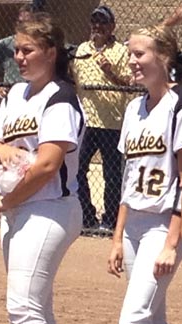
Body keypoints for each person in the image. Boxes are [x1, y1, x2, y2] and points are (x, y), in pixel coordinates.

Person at [0, 12, 85, 323]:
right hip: (18, 209)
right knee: (35, 306)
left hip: (48, 207)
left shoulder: (61, 97)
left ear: (51, 52)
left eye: (28, 50)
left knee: (23, 308)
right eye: (17, 50)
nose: (19, 57)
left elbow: (47, 166)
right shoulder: (15, 93)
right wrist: (3, 149)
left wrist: (5, 202)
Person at [106, 25, 182, 323]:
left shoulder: (181, 103)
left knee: (134, 315)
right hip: (134, 223)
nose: (131, 60)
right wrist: (118, 237)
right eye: (130, 53)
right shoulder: (134, 108)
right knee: (152, 315)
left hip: (163, 222)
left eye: (139, 53)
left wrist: (172, 243)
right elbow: (128, 178)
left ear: (164, 56)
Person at [72, 5, 131, 230]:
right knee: (78, 168)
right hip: (87, 121)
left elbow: (130, 85)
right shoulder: (81, 49)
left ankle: (110, 219)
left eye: (103, 22)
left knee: (112, 174)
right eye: (94, 22)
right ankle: (87, 217)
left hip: (111, 121)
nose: (98, 26)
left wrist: (110, 72)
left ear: (112, 26)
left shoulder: (121, 51)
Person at [0, 4, 33, 98]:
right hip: (11, 92)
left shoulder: (39, 44)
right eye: (20, 22)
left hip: (33, 91)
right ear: (16, 24)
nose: (23, 26)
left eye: (28, 23)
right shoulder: (6, 43)